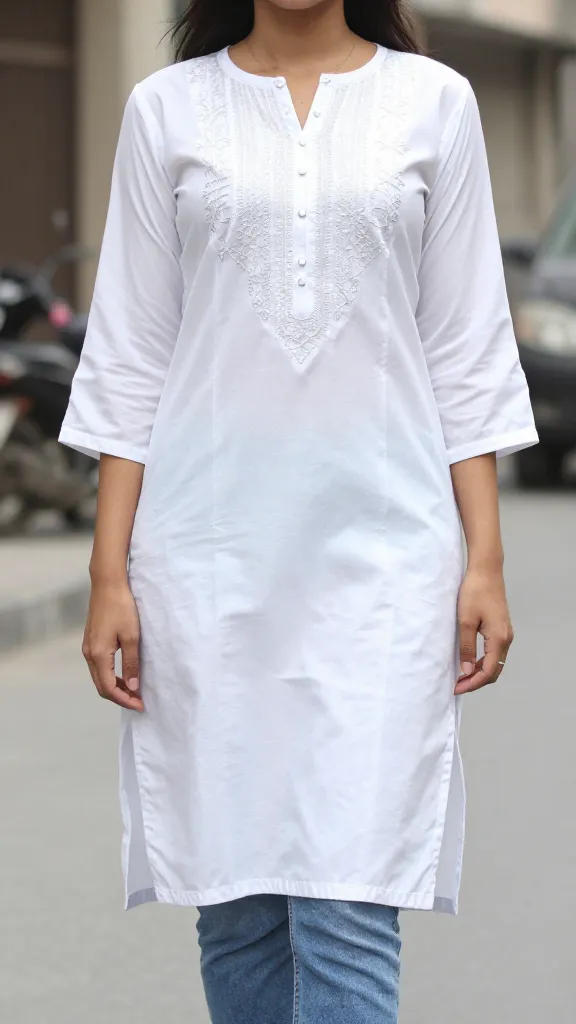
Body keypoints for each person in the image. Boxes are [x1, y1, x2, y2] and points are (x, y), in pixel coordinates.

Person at [59, 0, 538, 1020]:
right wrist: (109, 575)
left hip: (386, 560)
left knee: (350, 899)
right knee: (234, 899)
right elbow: (131, 353)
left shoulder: (435, 105)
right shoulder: (165, 112)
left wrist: (484, 559)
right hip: (207, 559)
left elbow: (467, 346)